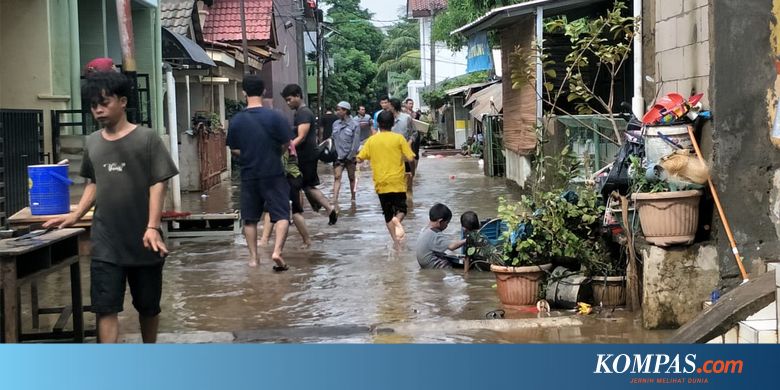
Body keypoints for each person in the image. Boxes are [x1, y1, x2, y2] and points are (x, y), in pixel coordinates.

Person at [43, 71, 178, 343]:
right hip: (106, 242)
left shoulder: (147, 139)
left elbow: (158, 184)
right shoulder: (92, 142)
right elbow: (94, 183)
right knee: (105, 308)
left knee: (148, 307)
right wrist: (75, 215)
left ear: (123, 101)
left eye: (104, 103)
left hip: (144, 241)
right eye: (94, 106)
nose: (99, 110)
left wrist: (152, 226)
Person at [227, 74, 292, 271]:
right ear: (264, 91)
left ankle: (254, 259)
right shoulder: (276, 116)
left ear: (244, 92)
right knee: (282, 215)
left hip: (249, 174)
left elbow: (234, 149)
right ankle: (277, 251)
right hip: (273, 172)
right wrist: (273, 154)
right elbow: (286, 144)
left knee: (250, 218)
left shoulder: (236, 120)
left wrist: (248, 155)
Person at [356, 110, 415, 245]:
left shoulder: (371, 140)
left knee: (387, 214)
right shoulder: (399, 138)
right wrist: (411, 171)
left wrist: (358, 160)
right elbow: (411, 157)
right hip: (397, 182)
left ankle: (396, 242)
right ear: (393, 123)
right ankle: (398, 220)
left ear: (378, 124)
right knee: (402, 210)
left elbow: (359, 158)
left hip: (381, 183)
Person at [281, 84, 337, 225]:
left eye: (289, 99)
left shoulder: (304, 113)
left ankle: (303, 213)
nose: (288, 103)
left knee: (301, 185)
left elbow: (301, 136)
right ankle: (322, 210)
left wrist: (287, 150)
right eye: (286, 101)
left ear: (298, 96)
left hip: (306, 156)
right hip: (306, 155)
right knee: (304, 186)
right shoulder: (300, 112)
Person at [260, 143, 311, 249]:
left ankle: (307, 241)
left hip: (289, 178)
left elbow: (281, 164)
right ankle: (264, 240)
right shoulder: (283, 139)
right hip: (291, 178)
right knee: (269, 208)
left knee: (295, 212)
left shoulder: (282, 142)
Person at [415, 203, 466, 269]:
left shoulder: (424, 230)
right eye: (447, 223)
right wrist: (467, 240)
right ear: (440, 221)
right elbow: (452, 246)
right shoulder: (435, 234)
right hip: (434, 267)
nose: (447, 226)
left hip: (425, 264)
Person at [331, 101, 361, 206]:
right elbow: (333, 139)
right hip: (338, 156)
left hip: (350, 157)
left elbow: (356, 143)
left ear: (345, 111)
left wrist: (350, 156)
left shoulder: (355, 125)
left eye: (339, 110)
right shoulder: (335, 124)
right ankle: (334, 199)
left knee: (351, 178)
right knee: (337, 177)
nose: (337, 112)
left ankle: (353, 199)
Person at [388, 98, 419, 196]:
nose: (387, 107)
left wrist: (409, 142)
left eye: (388, 105)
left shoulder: (406, 118)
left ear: (393, 106)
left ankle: (409, 193)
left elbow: (414, 133)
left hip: (405, 149)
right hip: (391, 151)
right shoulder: (387, 118)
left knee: (408, 172)